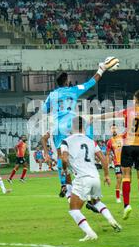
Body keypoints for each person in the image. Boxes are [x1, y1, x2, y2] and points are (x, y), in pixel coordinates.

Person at [40, 58, 116, 202]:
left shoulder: (52, 95)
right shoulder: (73, 90)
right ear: (67, 81)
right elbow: (91, 83)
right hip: (71, 124)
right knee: (88, 129)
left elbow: (44, 111)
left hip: (57, 127)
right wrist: (102, 69)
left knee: (62, 156)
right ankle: (89, 174)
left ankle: (64, 185)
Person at [92, 90, 139, 220]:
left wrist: (96, 117)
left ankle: (127, 206)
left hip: (128, 146)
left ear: (136, 100)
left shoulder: (129, 111)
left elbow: (112, 115)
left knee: (126, 176)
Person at [62, 117, 122, 241]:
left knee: (74, 209)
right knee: (96, 202)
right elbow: (104, 159)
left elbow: (64, 159)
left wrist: (65, 170)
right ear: (83, 127)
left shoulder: (66, 141)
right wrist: (106, 175)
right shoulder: (91, 141)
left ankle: (90, 233)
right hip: (95, 177)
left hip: (82, 179)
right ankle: (112, 220)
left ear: (72, 128)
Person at [106, 124, 124, 203]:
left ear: (118, 129)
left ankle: (121, 190)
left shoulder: (122, 137)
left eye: (115, 128)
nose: (114, 130)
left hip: (125, 161)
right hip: (117, 162)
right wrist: (107, 164)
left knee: (127, 178)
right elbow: (107, 154)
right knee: (119, 178)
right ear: (110, 130)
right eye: (112, 128)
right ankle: (117, 197)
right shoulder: (110, 141)